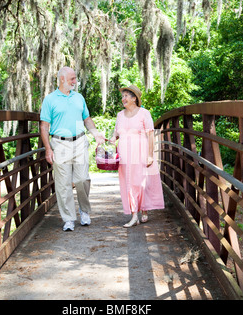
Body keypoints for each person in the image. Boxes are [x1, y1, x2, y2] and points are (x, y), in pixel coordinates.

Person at [40, 66, 105, 231]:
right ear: (62, 79)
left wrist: (96, 134)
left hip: (79, 141)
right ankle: (68, 218)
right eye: (72, 79)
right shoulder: (50, 99)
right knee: (63, 184)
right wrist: (48, 149)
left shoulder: (79, 98)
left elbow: (87, 118)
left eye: (75, 78)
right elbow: (44, 126)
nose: (75, 82)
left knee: (82, 179)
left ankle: (84, 211)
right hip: (59, 143)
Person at [109, 85, 165, 227]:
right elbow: (116, 133)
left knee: (140, 183)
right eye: (122, 96)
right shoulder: (120, 115)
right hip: (124, 156)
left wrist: (150, 155)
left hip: (140, 153)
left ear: (134, 98)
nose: (123, 99)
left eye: (126, 96)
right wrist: (111, 138)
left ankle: (143, 209)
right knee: (129, 183)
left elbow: (151, 134)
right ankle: (134, 215)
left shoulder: (144, 113)